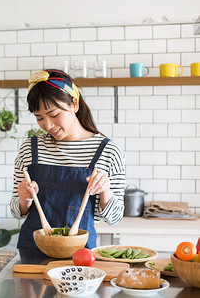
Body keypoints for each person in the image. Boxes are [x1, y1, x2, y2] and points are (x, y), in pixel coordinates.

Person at [10, 69, 125, 257]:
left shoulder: (108, 152)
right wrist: (24, 198)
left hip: (80, 256)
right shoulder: (29, 149)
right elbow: (16, 211)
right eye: (39, 118)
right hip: (33, 252)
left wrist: (105, 190)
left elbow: (115, 218)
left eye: (53, 115)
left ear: (74, 103)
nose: (47, 125)